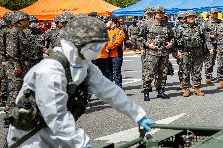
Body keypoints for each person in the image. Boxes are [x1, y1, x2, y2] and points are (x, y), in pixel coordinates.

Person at [4, 16, 155, 148]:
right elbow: (55, 113)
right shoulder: (50, 70)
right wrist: (80, 141)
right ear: (81, 45)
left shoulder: (84, 66)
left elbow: (109, 91)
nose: (98, 50)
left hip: (57, 133)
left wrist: (138, 115)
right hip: (30, 136)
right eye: (96, 46)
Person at [138, 5, 174, 101]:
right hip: (152, 52)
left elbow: (172, 37)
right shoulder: (147, 24)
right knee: (149, 72)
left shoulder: (166, 24)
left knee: (163, 72)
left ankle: (161, 91)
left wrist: (171, 43)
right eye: (159, 13)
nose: (161, 14)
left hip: (164, 52)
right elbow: (140, 37)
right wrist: (147, 45)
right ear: (154, 13)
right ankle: (146, 91)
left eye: (162, 13)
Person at [176, 10, 207, 97]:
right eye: (189, 17)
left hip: (198, 52)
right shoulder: (181, 28)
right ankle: (186, 89)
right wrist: (178, 51)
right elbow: (177, 41)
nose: (191, 18)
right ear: (186, 18)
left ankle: (196, 88)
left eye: (193, 16)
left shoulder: (200, 27)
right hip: (186, 52)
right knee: (185, 71)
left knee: (197, 71)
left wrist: (209, 49)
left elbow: (205, 39)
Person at [6, 11, 32, 108]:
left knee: (21, 90)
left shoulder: (23, 33)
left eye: (27, 20)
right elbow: (12, 51)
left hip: (23, 66)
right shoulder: (14, 32)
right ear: (17, 21)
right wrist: (16, 65)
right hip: (16, 67)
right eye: (24, 20)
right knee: (15, 90)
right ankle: (9, 112)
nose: (27, 22)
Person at [106, 16, 125, 88]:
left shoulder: (118, 30)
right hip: (107, 55)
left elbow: (118, 41)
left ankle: (119, 89)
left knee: (117, 73)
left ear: (112, 21)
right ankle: (109, 89)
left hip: (116, 55)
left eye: (107, 21)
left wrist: (109, 47)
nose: (106, 22)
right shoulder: (108, 31)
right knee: (108, 73)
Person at [203, 8, 222, 84]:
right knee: (209, 60)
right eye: (213, 13)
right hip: (210, 44)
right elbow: (203, 33)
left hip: (219, 43)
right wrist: (209, 36)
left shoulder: (220, 22)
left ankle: (220, 76)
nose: (215, 14)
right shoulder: (206, 23)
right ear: (210, 14)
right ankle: (208, 76)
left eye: (216, 13)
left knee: (219, 60)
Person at [174, 11, 187, 90]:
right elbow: (175, 41)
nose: (183, 20)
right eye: (181, 18)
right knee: (181, 68)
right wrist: (175, 51)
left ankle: (191, 83)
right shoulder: (177, 28)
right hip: (181, 50)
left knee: (191, 68)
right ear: (179, 19)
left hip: (190, 49)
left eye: (184, 18)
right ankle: (181, 82)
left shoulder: (190, 26)